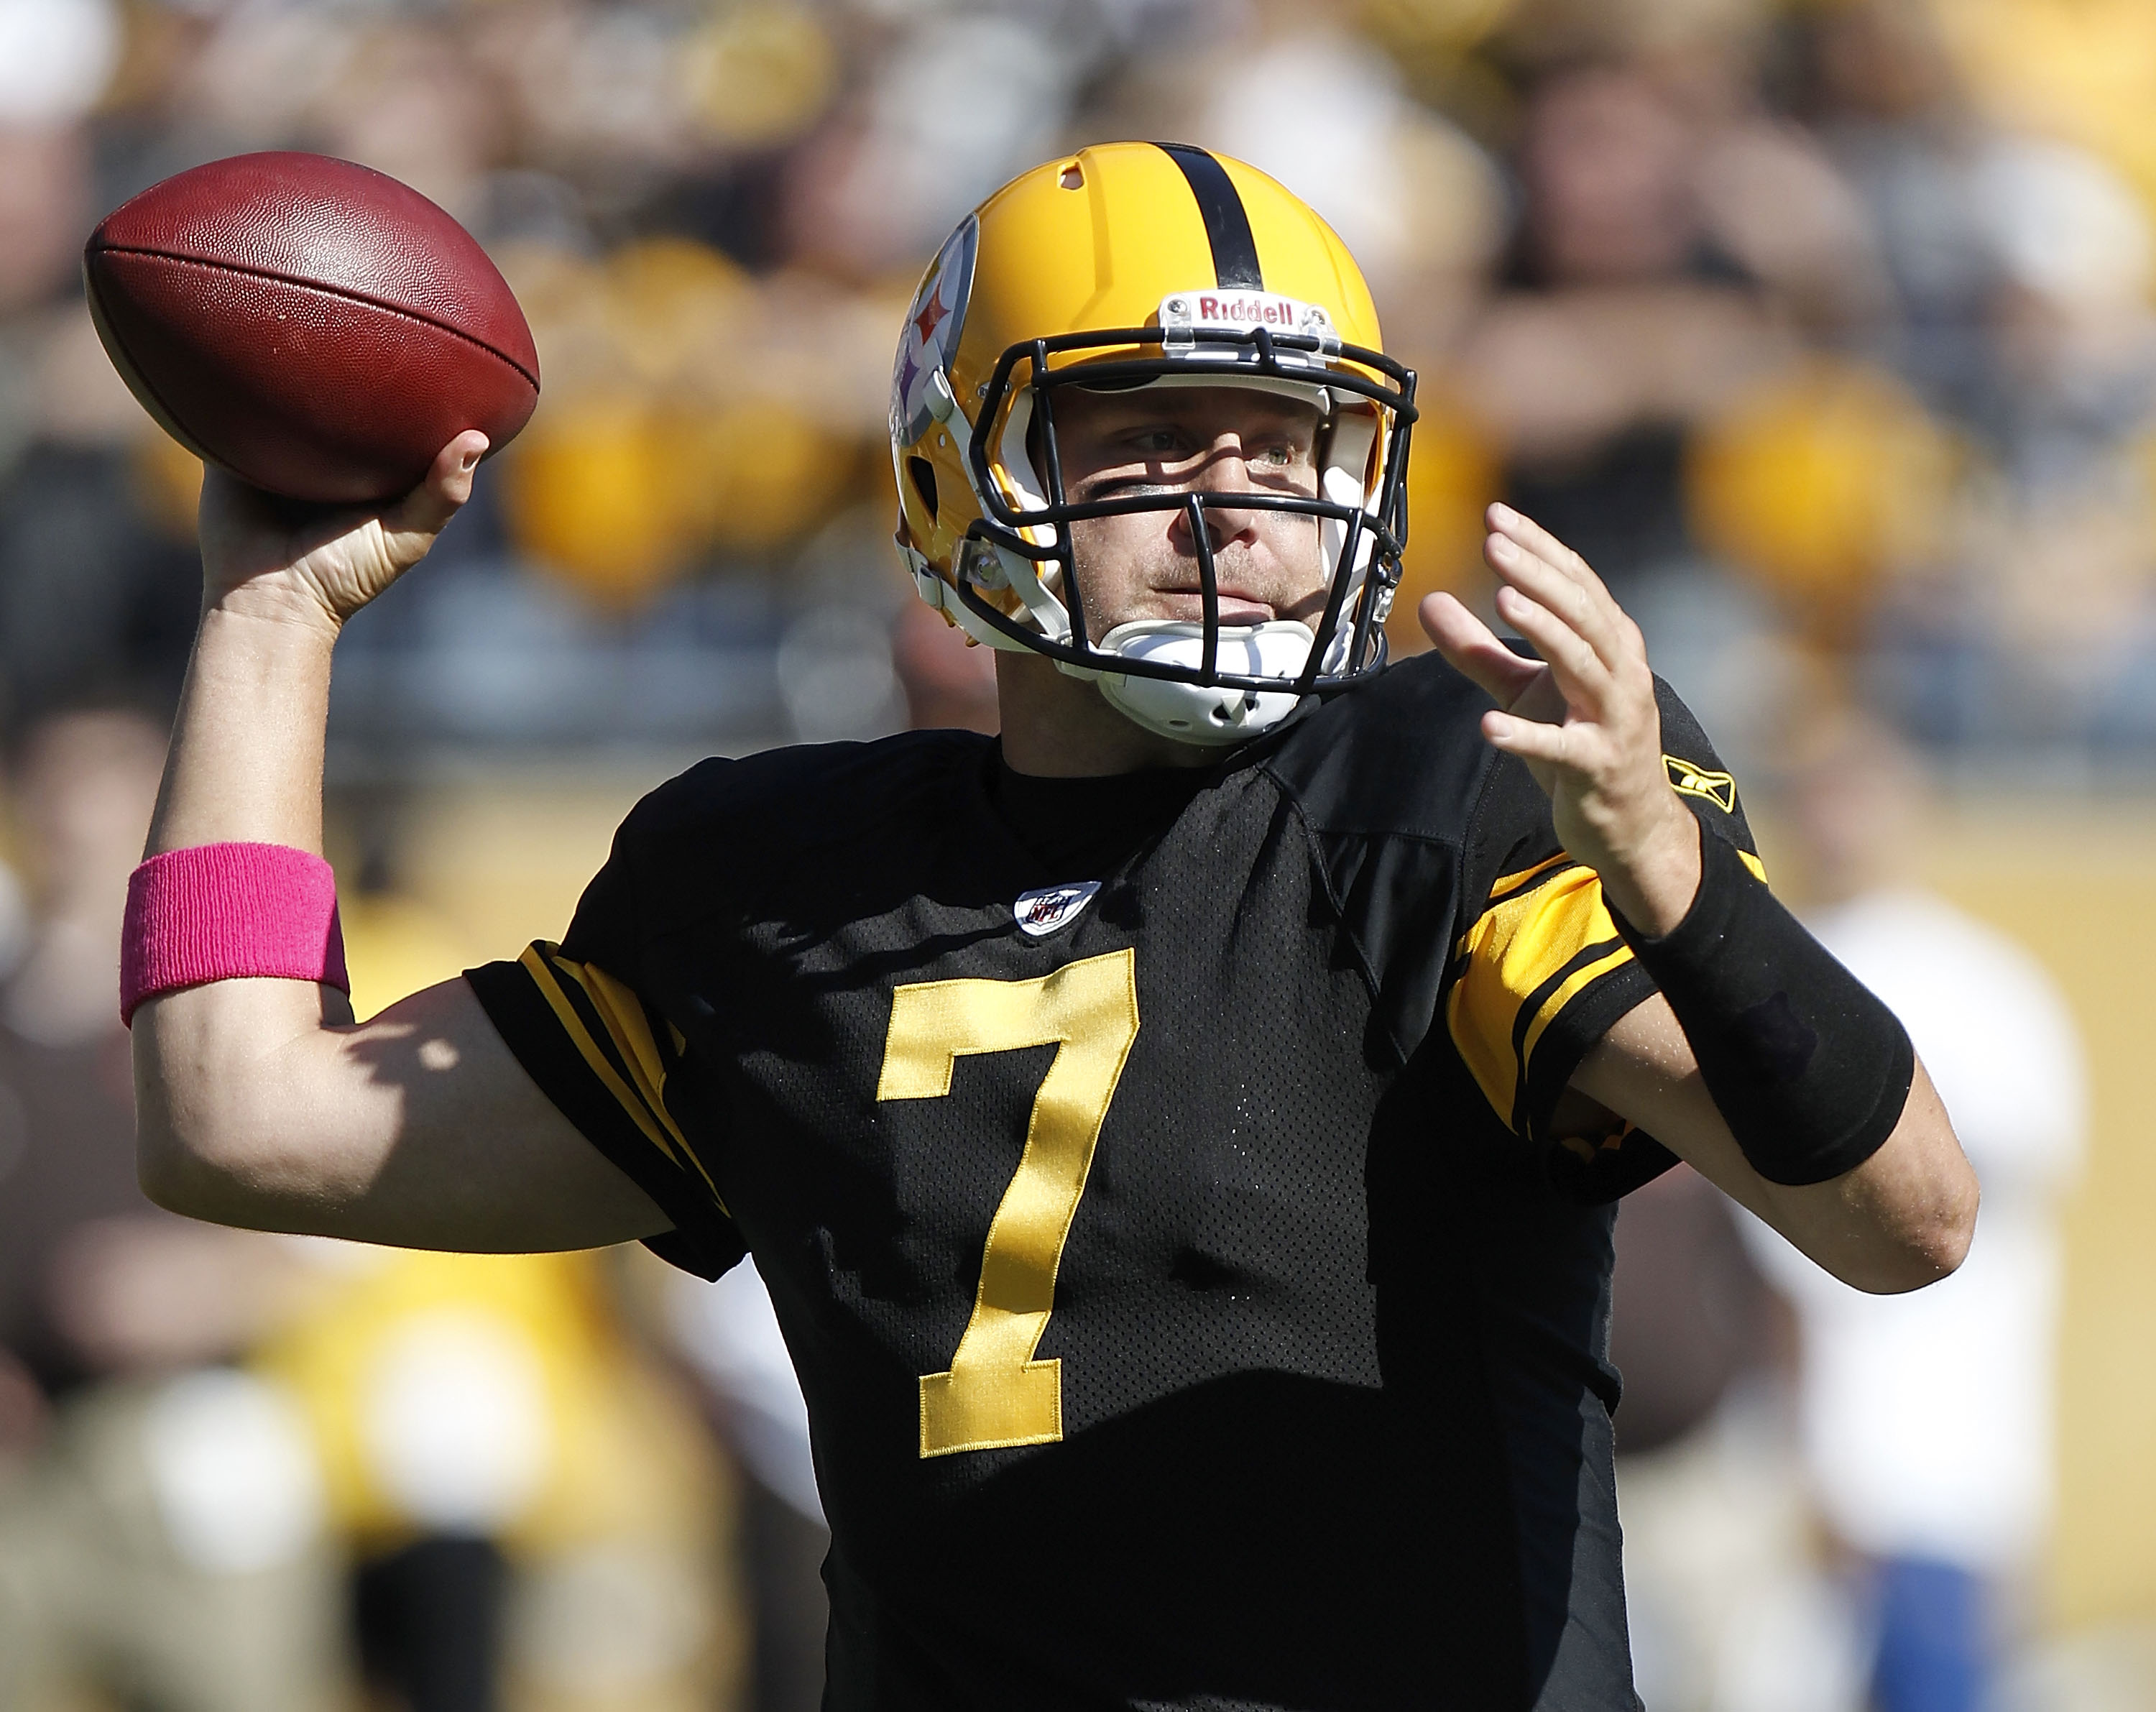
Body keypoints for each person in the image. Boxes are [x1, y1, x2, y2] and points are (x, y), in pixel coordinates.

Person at [127, 142, 1977, 1709]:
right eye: (1149, 438)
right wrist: (271, 626)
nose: (1232, 508)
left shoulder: (1450, 794)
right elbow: (240, 1115)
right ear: (953, 467)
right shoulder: (776, 884)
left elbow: (1902, 1219)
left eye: (1288, 441)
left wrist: (1672, 874)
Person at [1746, 710, 2085, 1712]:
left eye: (1859, 793)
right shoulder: (1765, 972)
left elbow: (2006, 1234)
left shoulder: (1987, 990)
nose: (1837, 821)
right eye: (1820, 795)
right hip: (1800, 1472)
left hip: (1944, 1469)